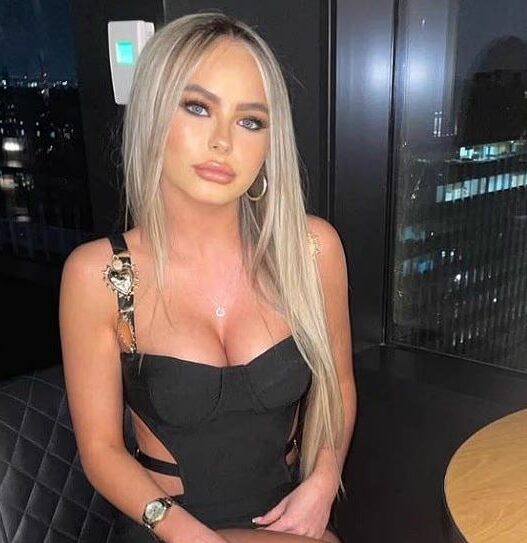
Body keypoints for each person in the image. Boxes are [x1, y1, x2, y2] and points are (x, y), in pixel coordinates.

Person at [59, 11, 356, 543]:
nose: (223, 141)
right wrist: (184, 533)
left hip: (285, 521)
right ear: (154, 115)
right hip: (165, 527)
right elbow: (101, 451)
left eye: (250, 121)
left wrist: (324, 479)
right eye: (198, 108)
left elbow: (339, 386)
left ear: (270, 142)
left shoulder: (312, 251)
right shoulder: (102, 276)